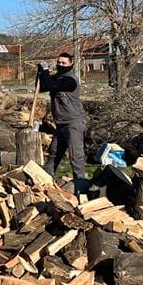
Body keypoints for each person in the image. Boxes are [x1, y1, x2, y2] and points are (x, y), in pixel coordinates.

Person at [38, 51, 88, 195]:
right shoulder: (56, 77)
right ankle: (45, 181)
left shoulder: (70, 80)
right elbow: (43, 86)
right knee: (54, 152)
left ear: (71, 63)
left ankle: (81, 188)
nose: (60, 65)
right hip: (60, 124)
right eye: (59, 63)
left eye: (63, 63)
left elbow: (52, 86)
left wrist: (46, 71)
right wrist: (40, 72)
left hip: (73, 123)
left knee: (75, 155)